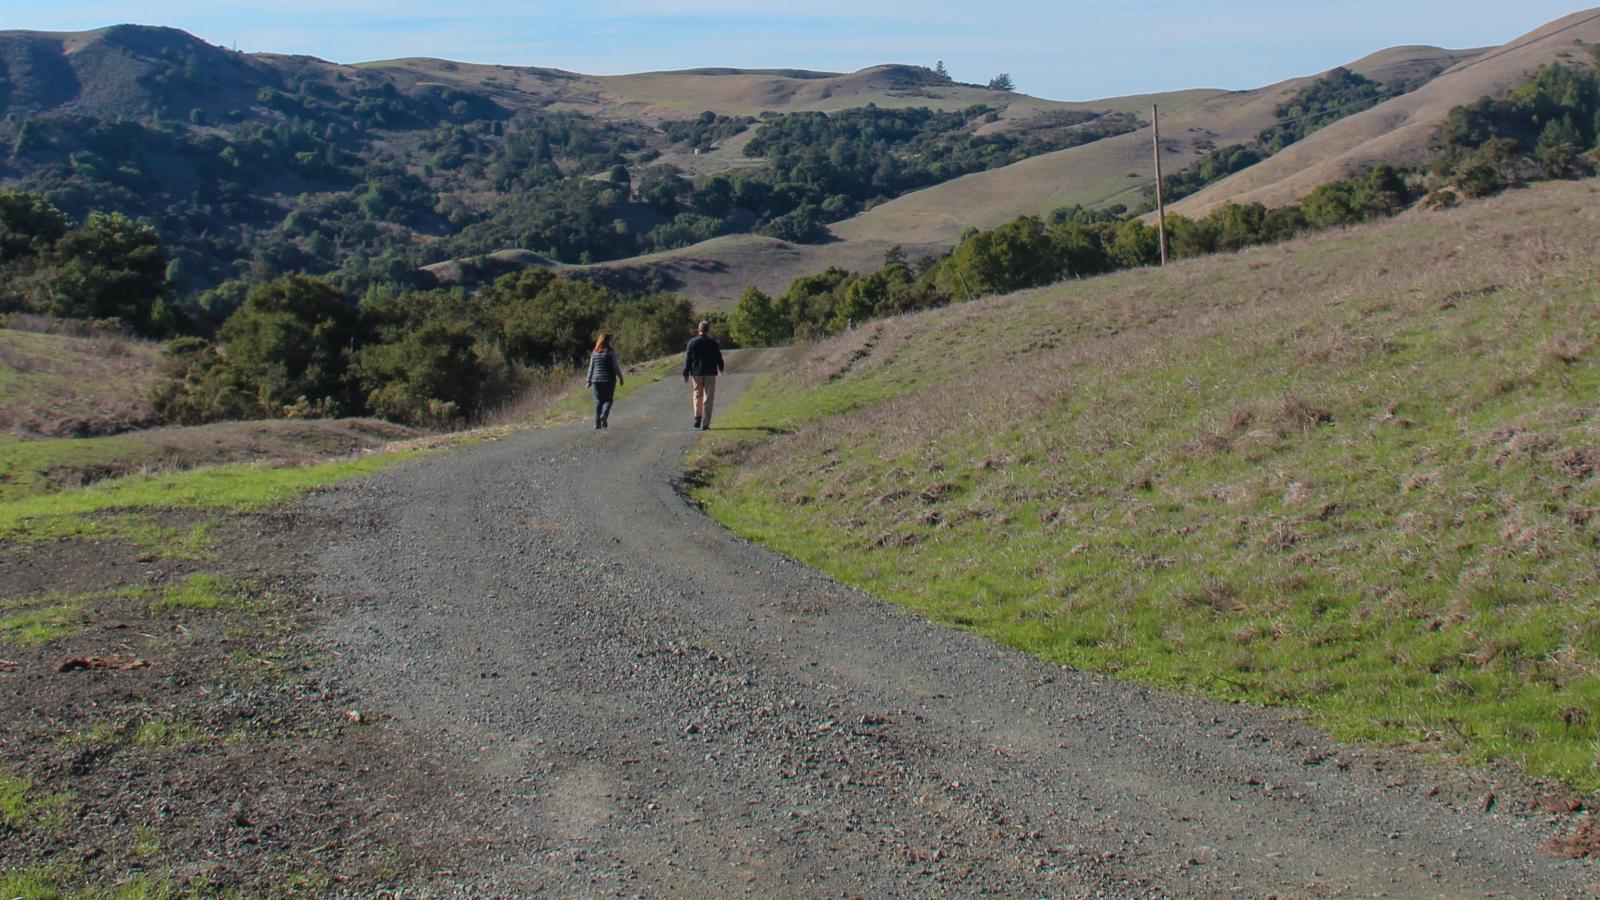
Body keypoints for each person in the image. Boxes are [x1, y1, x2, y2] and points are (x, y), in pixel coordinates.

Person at [682, 320, 725, 430]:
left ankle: (697, 417)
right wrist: (721, 368)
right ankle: (705, 423)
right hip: (710, 372)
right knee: (708, 397)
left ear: (698, 329)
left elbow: (688, 359)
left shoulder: (692, 342)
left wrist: (686, 372)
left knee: (697, 394)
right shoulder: (712, 343)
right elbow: (718, 357)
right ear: (708, 330)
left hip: (696, 373)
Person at [586, 333, 624, 429]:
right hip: (609, 380)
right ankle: (604, 415)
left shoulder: (595, 352)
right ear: (608, 341)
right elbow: (615, 367)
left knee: (599, 402)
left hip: (596, 380)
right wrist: (620, 377)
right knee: (608, 399)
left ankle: (597, 424)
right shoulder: (611, 352)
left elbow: (591, 367)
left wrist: (588, 380)